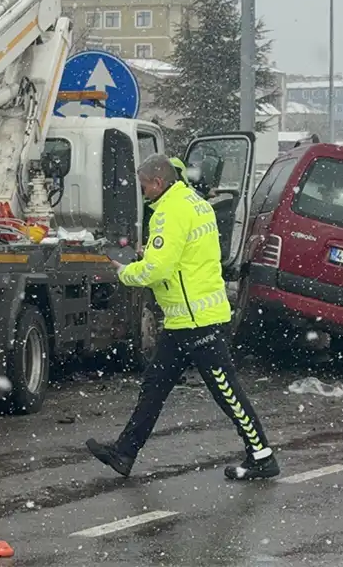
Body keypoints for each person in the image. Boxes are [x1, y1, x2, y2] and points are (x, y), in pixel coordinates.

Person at [86, 154, 279, 481]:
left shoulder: (168, 213)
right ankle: (124, 452)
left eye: (145, 185)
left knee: (225, 389)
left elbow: (159, 268)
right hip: (187, 318)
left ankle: (262, 455)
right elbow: (187, 257)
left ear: (158, 183)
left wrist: (125, 272)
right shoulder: (196, 203)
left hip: (196, 320)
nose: (143, 192)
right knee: (154, 385)